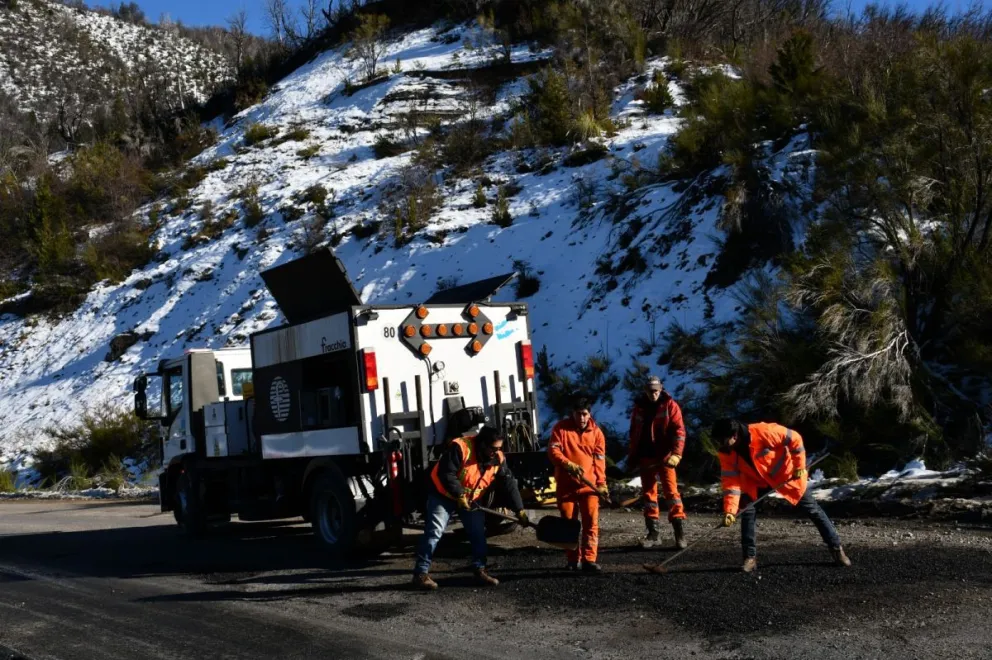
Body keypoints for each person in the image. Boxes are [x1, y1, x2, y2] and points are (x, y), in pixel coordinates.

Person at [710, 418, 852, 573]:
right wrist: (730, 510)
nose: (720, 444)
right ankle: (749, 558)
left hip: (786, 476)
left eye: (721, 440)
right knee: (747, 512)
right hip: (756, 483)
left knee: (812, 509)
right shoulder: (726, 452)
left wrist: (799, 466)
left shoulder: (764, 431)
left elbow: (795, 438)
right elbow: (731, 483)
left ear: (734, 436)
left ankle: (836, 549)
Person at [412, 425, 529, 590]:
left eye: (499, 448)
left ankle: (479, 570)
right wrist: (459, 495)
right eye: (493, 448)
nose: (496, 452)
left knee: (478, 533)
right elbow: (446, 473)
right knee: (434, 532)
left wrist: (520, 509)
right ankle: (420, 574)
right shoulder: (460, 447)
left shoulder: (498, 458)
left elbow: (509, 483)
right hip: (443, 495)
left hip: (470, 499)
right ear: (482, 443)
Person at [548, 396, 608, 572]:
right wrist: (568, 464)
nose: (581, 418)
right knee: (568, 524)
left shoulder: (597, 433)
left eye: (584, 414)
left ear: (589, 414)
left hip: (589, 487)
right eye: (578, 414)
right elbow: (553, 451)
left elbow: (600, 461)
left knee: (591, 523)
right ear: (572, 414)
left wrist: (602, 484)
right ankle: (573, 560)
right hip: (566, 486)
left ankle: (589, 559)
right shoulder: (560, 429)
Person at [627, 376, 687, 549]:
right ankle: (653, 534)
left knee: (672, 494)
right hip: (646, 456)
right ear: (645, 390)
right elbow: (634, 433)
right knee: (649, 496)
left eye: (655, 390)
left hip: (666, 457)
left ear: (661, 389)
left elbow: (679, 431)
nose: (653, 394)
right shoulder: (639, 407)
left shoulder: (670, 405)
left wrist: (677, 454)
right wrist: (633, 457)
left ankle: (679, 534)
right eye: (650, 390)